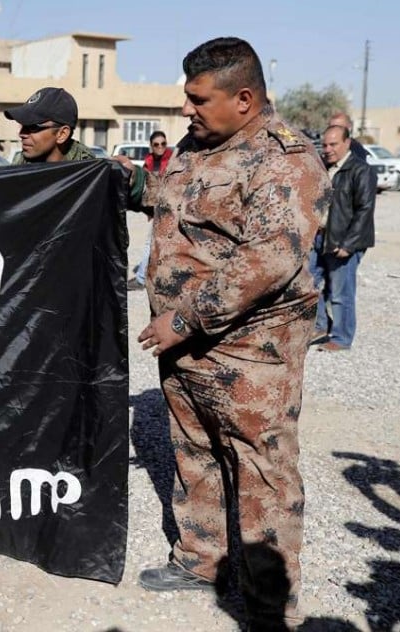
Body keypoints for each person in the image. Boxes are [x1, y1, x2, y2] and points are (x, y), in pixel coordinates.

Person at [119, 37, 330, 629]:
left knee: (262, 471)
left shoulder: (285, 159)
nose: (186, 110)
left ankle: (268, 603)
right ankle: (201, 559)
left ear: (243, 98)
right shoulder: (196, 145)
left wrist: (183, 318)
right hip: (186, 349)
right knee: (194, 452)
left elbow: (268, 259)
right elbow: (171, 204)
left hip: (249, 353)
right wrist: (128, 184)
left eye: (196, 99)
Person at [309, 124, 376, 351]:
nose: (328, 149)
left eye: (333, 144)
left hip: (342, 241)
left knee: (340, 293)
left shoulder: (360, 170)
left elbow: (365, 210)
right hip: (318, 238)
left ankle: (341, 338)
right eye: (325, 144)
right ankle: (320, 325)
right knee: (308, 285)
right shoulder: (323, 167)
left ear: (347, 143)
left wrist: (349, 244)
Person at [127, 131, 173, 291]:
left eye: (163, 144)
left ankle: (140, 279)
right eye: (156, 144)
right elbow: (146, 190)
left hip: (170, 207)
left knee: (150, 243)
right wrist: (147, 210)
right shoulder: (148, 162)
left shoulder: (173, 160)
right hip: (155, 209)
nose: (160, 147)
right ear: (151, 146)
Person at [4, 87, 96, 164]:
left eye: (33, 127)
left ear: (62, 134)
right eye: (23, 125)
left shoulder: (87, 172)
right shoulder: (20, 164)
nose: (22, 134)